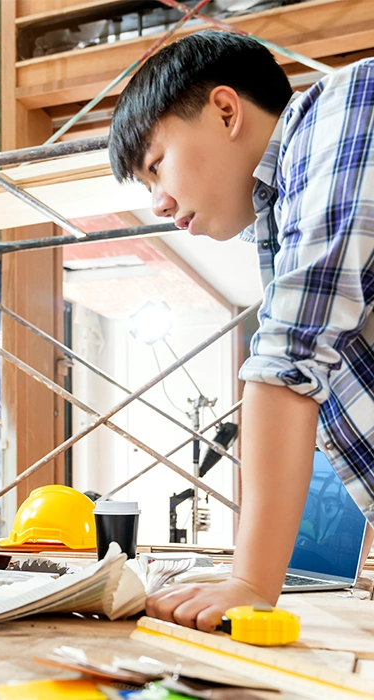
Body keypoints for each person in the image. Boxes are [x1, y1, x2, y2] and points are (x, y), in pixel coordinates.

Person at [108, 30, 374, 630]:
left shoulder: (344, 107)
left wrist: (251, 580)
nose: (158, 202)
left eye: (156, 167)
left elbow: (288, 356)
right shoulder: (278, 219)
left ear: (226, 110)